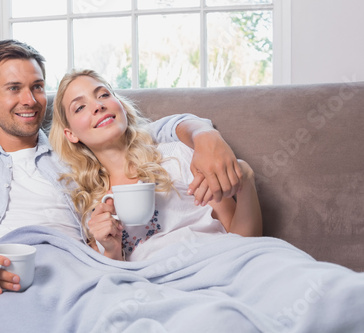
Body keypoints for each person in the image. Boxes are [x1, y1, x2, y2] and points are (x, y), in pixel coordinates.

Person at [0, 40, 243, 314]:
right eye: (13, 88)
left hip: (76, 274)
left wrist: (204, 134)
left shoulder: (74, 150)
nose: (30, 99)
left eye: (37, 87)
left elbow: (141, 130)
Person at [49, 69, 263, 260]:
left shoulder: (178, 156)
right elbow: (116, 286)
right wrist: (112, 250)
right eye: (80, 107)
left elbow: (243, 242)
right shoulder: (89, 206)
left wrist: (246, 181)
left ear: (120, 105)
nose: (98, 106)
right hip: (157, 289)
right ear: (70, 134)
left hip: (219, 264)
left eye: (103, 95)